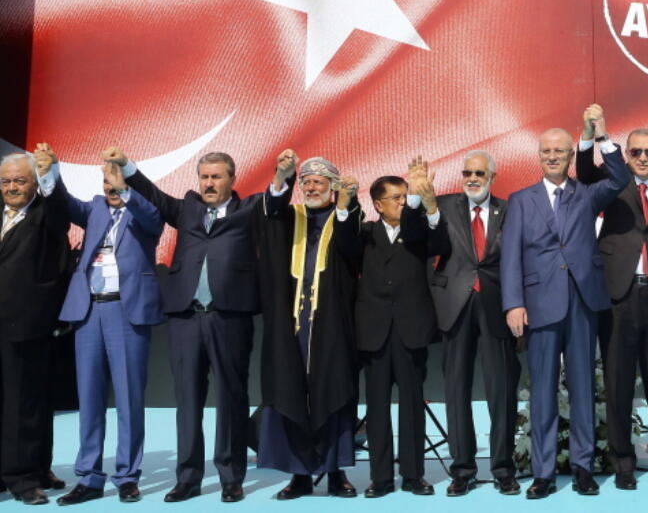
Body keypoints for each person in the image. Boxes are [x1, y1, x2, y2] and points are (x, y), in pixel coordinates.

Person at [107, 145, 293, 503]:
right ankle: (188, 478)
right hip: (185, 318)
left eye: (216, 177)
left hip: (230, 316)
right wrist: (126, 165)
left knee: (231, 399)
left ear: (231, 179)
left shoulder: (248, 210)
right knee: (187, 399)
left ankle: (230, 476)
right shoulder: (187, 209)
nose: (208, 183)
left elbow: (276, 200)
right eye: (204, 177)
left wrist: (282, 176)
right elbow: (153, 195)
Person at [500, 105, 630, 499]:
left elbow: (620, 177)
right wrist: (512, 304)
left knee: (582, 389)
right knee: (542, 391)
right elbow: (511, 257)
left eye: (559, 151)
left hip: (581, 302)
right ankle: (542, 472)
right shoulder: (521, 199)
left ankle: (583, 467)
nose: (552, 157)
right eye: (546, 152)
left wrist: (602, 132)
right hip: (539, 304)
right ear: (538, 157)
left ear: (571, 156)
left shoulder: (587, 194)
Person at [578, 127, 648, 490]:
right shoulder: (613, 180)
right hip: (619, 295)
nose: (643, 158)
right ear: (626, 153)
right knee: (618, 383)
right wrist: (590, 136)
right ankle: (623, 463)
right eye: (637, 152)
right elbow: (584, 172)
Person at [254, 155, 363, 500]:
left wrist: (345, 206)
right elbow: (270, 209)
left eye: (319, 182)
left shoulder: (347, 216)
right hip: (292, 326)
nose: (312, 187)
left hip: (331, 325)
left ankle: (335, 471)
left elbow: (352, 248)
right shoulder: (290, 217)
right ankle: (298, 475)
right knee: (291, 393)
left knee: (332, 393)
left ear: (332, 187)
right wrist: (281, 177)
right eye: (306, 182)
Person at [56, 160, 164, 504]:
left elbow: (151, 215)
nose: (109, 190)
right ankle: (88, 477)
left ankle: (127, 475)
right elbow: (67, 204)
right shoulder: (96, 209)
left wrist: (125, 187)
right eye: (105, 184)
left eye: (115, 185)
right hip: (89, 310)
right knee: (88, 397)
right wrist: (49, 175)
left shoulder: (143, 212)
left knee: (129, 396)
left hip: (126, 311)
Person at [429, 152, 519, 496]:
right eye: (467, 172)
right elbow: (425, 235)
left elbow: (517, 257)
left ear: (492, 177)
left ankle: (503, 468)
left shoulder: (509, 209)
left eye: (479, 173)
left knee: (502, 391)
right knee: (456, 390)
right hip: (455, 306)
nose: (472, 177)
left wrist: (517, 303)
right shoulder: (442, 205)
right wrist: (420, 200)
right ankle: (462, 470)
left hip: (497, 306)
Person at [358, 161, 449, 498]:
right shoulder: (365, 233)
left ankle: (413, 475)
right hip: (375, 332)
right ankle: (380, 477)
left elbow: (440, 244)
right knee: (377, 408)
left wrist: (424, 201)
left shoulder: (418, 230)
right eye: (395, 198)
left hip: (411, 330)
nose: (401, 202)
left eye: (404, 196)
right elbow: (343, 243)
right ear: (378, 204)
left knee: (412, 404)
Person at [0, 146, 71, 505]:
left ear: (33, 183)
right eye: (6, 181)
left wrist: (49, 176)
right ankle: (16, 470)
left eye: (19, 180)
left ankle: (26, 476)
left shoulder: (47, 214)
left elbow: (61, 209)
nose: (12, 187)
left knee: (28, 404)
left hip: (28, 326)